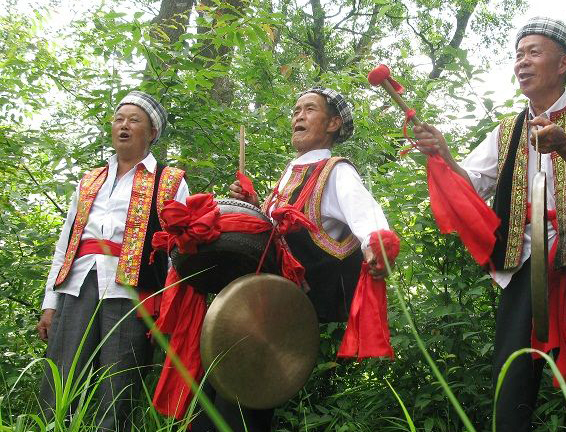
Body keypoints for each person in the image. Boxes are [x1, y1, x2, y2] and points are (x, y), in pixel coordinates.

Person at [414, 17, 566, 432]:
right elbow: (471, 184)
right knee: (511, 381)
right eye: (518, 55)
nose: (522, 63)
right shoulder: (508, 129)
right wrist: (443, 153)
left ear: (563, 63)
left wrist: (565, 144)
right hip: (522, 265)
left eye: (533, 53)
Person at [197, 86, 397, 432]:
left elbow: (367, 215)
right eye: (295, 111)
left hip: (281, 315)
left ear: (333, 123)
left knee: (241, 404)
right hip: (256, 308)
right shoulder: (291, 175)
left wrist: (375, 244)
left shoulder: (335, 171)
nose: (298, 117)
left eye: (309, 110)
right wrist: (254, 207)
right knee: (216, 395)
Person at [37, 91, 189, 431]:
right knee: (61, 380)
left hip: (133, 293)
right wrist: (50, 303)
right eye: (119, 119)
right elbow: (66, 243)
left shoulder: (170, 181)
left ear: (152, 132)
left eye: (134, 120)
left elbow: (178, 249)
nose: (124, 126)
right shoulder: (90, 180)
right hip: (76, 286)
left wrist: (166, 305)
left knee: (119, 385)